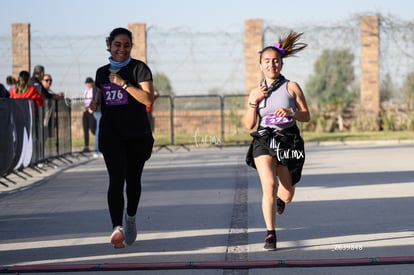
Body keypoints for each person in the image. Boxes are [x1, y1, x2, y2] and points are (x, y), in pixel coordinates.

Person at [244, 31, 310, 251]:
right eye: (267, 61)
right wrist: (253, 103)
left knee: (288, 194)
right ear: (261, 65)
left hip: (288, 141)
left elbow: (306, 116)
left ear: (281, 63)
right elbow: (248, 125)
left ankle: (280, 202)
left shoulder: (291, 87)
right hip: (263, 139)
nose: (271, 65)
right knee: (269, 185)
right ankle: (270, 234)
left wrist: (291, 112)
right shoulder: (256, 91)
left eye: (275, 61)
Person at [90, 27, 155, 249]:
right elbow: (100, 97)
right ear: (109, 44)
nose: (122, 49)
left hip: (137, 134)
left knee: (133, 181)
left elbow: (147, 100)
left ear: (131, 47)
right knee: (116, 179)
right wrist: (94, 103)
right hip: (112, 135)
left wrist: (124, 84)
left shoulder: (139, 69)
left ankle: (131, 218)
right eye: (117, 44)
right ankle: (116, 227)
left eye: (126, 45)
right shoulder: (101, 72)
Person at [81, 77, 96, 153]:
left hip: (91, 111)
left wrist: (92, 108)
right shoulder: (86, 91)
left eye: (89, 83)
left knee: (93, 129)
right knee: (85, 129)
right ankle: (86, 146)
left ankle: (99, 142)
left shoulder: (93, 90)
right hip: (85, 111)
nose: (87, 84)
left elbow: (94, 99)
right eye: (86, 83)